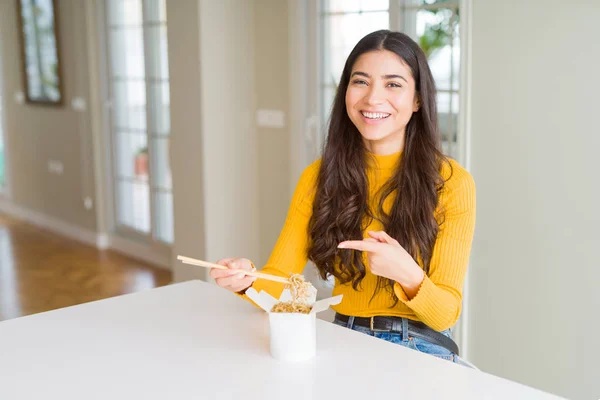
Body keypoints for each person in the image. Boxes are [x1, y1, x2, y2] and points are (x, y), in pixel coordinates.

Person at [210, 30, 476, 366]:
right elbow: (278, 280)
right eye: (360, 82)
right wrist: (246, 282)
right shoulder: (318, 178)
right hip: (341, 336)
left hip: (421, 345)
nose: (372, 98)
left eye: (393, 84)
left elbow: (446, 314)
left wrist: (407, 273)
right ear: (346, 92)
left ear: (418, 100)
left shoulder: (451, 183)